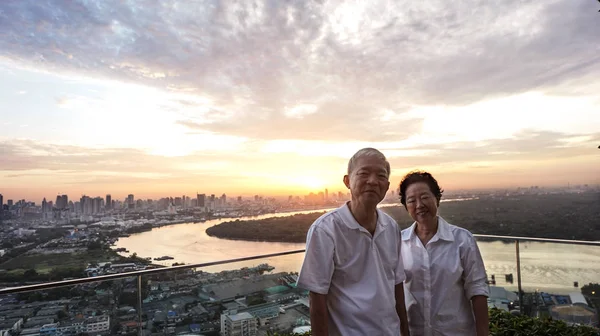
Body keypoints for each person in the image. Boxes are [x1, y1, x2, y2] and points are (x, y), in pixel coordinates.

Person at [296, 148, 410, 336]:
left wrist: (404, 332)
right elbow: (317, 299)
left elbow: (397, 287)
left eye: (380, 176)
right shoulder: (326, 230)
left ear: (387, 185)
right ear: (347, 181)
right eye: (364, 173)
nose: (372, 181)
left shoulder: (391, 228)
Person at [399, 171, 489, 336]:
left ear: (437, 199)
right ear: (406, 206)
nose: (419, 205)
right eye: (411, 200)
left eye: (425, 197)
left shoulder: (462, 240)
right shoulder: (399, 243)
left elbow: (477, 289)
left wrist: (483, 333)